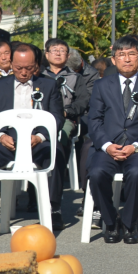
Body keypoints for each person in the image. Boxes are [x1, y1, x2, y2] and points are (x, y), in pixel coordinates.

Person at [86, 36, 138, 244]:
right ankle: (111, 222)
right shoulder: (101, 85)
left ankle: (130, 224)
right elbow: (93, 120)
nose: (127, 59)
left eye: (132, 54)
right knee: (96, 173)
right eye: (121, 55)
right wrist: (106, 145)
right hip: (107, 148)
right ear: (114, 60)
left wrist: (135, 147)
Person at [0, 45, 67, 233]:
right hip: (8, 142)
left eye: (29, 68)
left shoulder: (49, 85)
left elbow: (57, 118)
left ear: (36, 65)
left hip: (36, 141)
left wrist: (40, 136)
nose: (23, 72)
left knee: (57, 151)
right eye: (19, 68)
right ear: (11, 64)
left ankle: (54, 209)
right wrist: (1, 136)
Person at [40, 38, 93, 200]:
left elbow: (83, 101)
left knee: (61, 139)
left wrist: (66, 112)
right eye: (54, 50)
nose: (58, 53)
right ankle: (34, 192)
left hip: (66, 119)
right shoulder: (39, 75)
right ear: (46, 54)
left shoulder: (76, 78)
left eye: (62, 50)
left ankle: (56, 184)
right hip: (40, 119)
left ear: (68, 55)